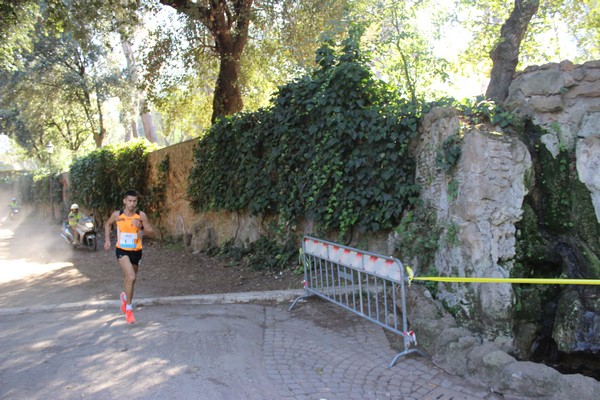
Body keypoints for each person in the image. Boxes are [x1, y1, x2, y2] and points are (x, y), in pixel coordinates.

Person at [104, 190, 154, 324]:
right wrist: (107, 240)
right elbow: (108, 224)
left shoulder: (140, 215)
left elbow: (151, 232)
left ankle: (125, 297)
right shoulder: (117, 215)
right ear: (124, 201)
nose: (132, 204)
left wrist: (142, 227)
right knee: (131, 276)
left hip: (136, 251)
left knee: (130, 279)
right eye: (130, 201)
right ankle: (129, 309)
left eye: (135, 201)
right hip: (122, 250)